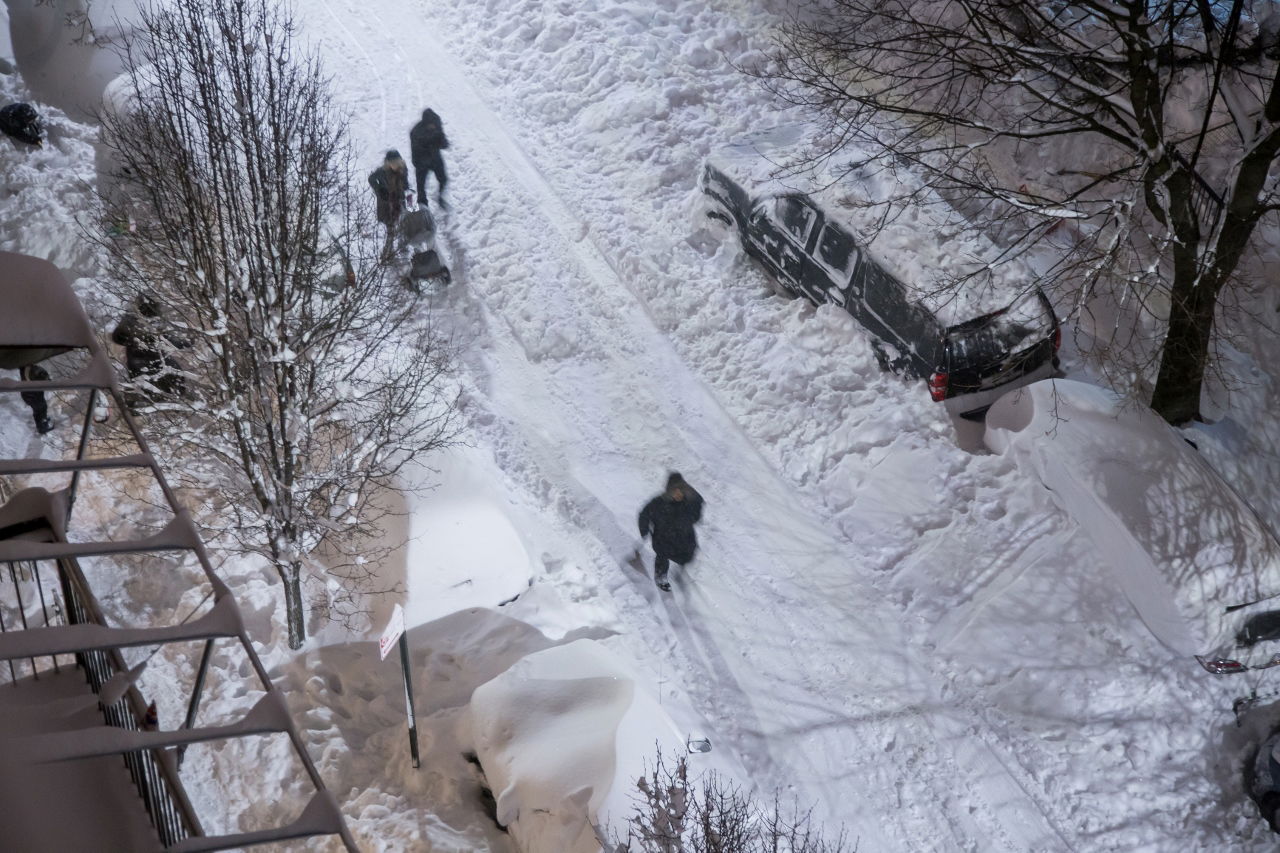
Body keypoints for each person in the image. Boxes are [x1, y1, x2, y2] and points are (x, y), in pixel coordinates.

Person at [111, 293, 188, 411]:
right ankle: (151, 400)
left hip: (152, 363)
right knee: (169, 373)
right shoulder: (132, 321)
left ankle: (172, 397)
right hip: (143, 364)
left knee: (173, 372)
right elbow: (118, 337)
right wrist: (132, 335)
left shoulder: (153, 323)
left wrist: (184, 342)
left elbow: (167, 339)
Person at [638, 472, 705, 591]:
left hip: (684, 537)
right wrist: (644, 529)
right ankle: (661, 576)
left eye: (681, 490)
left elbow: (697, 511)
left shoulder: (689, 503)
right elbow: (644, 514)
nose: (678, 493)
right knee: (663, 554)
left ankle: (679, 570)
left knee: (688, 554)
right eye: (675, 490)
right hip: (663, 537)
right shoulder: (659, 503)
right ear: (669, 490)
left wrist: (691, 514)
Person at [368, 149, 410, 255]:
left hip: (399, 201)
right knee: (390, 227)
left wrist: (406, 190)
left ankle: (403, 247)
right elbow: (371, 179)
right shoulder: (381, 171)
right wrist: (380, 190)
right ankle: (387, 252)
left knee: (403, 224)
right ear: (387, 163)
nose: (395, 165)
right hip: (386, 203)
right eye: (392, 163)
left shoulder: (403, 169)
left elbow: (405, 184)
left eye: (397, 162)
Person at [408, 108, 449, 209]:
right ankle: (423, 208)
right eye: (430, 124)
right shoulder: (416, 132)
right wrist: (430, 143)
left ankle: (440, 197)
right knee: (421, 187)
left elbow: (442, 140)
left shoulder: (437, 124)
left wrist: (443, 142)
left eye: (434, 124)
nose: (433, 126)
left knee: (443, 179)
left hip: (435, 158)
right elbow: (416, 150)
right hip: (421, 162)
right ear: (425, 123)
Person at [18, 363, 53, 434]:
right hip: (32, 394)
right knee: (41, 408)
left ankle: (42, 422)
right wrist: (48, 380)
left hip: (29, 393)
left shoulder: (24, 368)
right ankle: (43, 427)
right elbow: (42, 378)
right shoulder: (33, 370)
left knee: (38, 409)